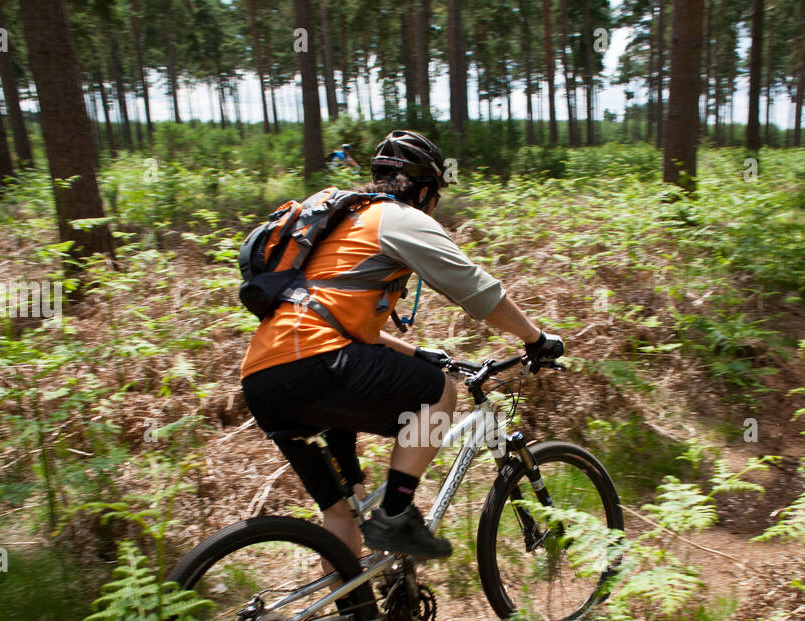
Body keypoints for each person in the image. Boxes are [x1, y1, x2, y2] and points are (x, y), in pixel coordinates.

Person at [240, 131, 564, 560]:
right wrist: (535, 339)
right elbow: (478, 292)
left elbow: (341, 323)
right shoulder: (397, 218)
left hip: (267, 377)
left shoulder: (347, 224)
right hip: (317, 364)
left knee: (343, 510)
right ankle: (396, 514)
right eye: (437, 197)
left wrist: (418, 354)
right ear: (426, 190)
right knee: (439, 391)